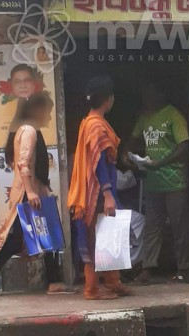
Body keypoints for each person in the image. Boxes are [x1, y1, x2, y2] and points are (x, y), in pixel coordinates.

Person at [0, 92, 69, 297]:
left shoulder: (26, 130)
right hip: (30, 193)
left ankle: (54, 280)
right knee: (20, 238)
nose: (49, 116)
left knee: (48, 233)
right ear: (36, 110)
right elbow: (23, 163)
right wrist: (31, 192)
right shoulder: (29, 131)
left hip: (35, 191)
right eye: (48, 111)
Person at [68, 75, 132, 300]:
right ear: (108, 99)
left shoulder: (90, 122)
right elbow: (98, 163)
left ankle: (113, 281)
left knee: (109, 235)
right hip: (96, 192)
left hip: (101, 190)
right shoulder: (95, 125)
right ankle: (92, 289)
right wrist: (107, 194)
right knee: (95, 240)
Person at [131, 80, 189, 285]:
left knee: (179, 227)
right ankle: (148, 268)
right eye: (143, 95)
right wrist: (127, 153)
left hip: (175, 182)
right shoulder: (145, 116)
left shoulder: (174, 116)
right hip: (153, 182)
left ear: (161, 94)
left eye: (149, 94)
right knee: (152, 227)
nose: (145, 99)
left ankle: (183, 269)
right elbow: (134, 139)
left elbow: (184, 146)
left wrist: (163, 162)